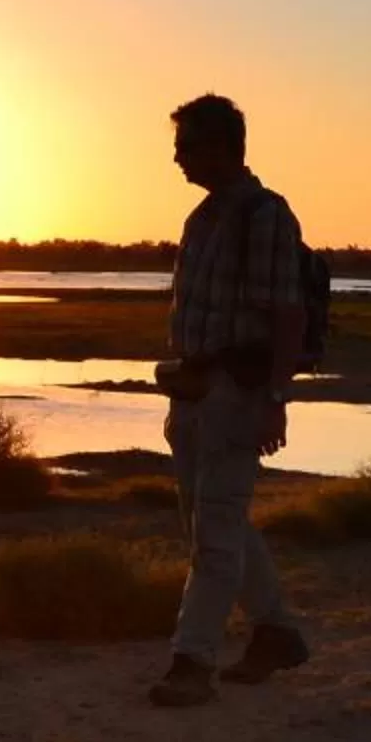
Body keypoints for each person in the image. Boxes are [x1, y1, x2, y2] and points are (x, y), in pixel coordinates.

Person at [150, 94, 312, 708]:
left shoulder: (264, 215)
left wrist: (275, 398)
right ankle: (275, 632)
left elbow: (287, 315)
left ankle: (191, 661)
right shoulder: (205, 217)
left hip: (235, 393)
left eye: (187, 145)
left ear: (224, 146)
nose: (177, 158)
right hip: (192, 389)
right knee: (214, 523)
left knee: (214, 536)